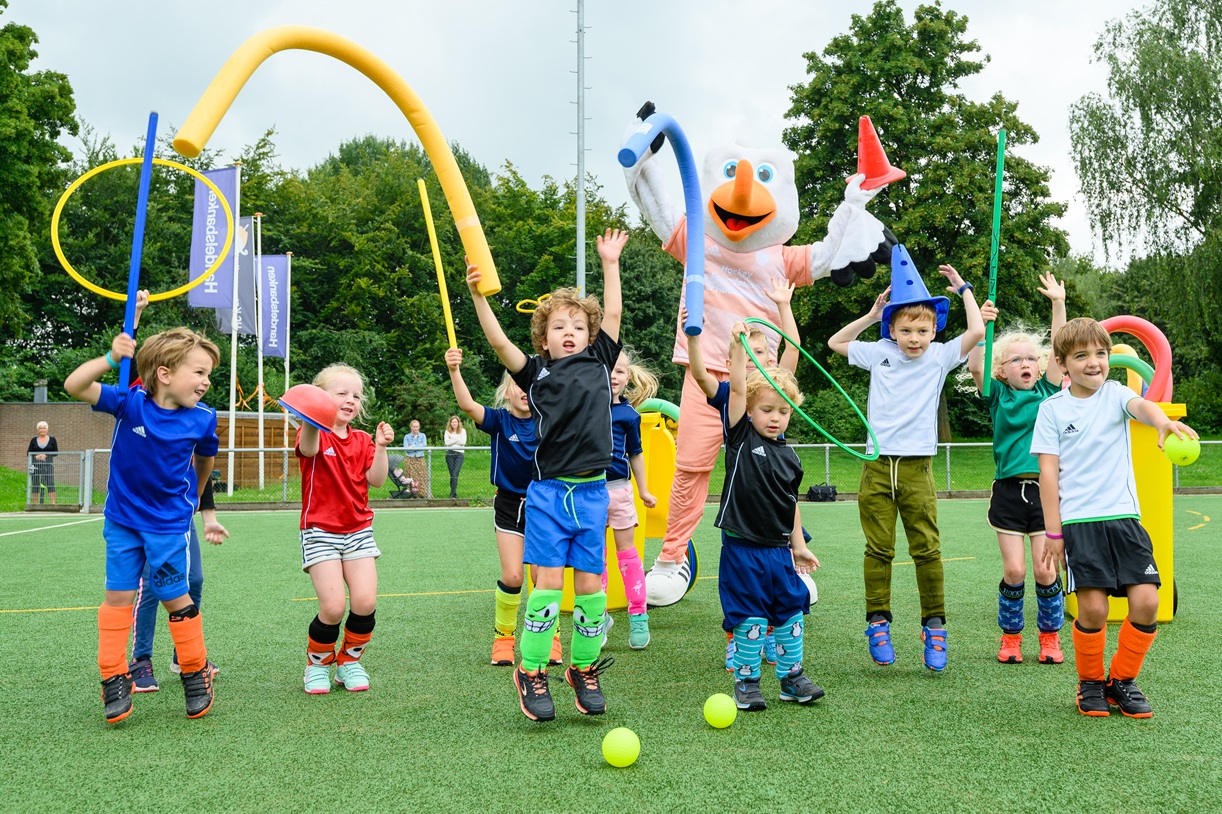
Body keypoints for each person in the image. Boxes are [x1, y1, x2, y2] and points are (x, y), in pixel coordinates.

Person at [466, 227, 624, 722]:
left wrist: (610, 263)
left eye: (577, 325)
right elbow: (498, 341)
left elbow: (613, 313)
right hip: (550, 495)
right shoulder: (535, 373)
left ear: (590, 336)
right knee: (549, 587)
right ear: (543, 338)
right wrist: (479, 297)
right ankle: (531, 670)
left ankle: (583, 668)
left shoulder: (599, 361)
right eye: (558, 326)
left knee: (593, 591)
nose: (569, 332)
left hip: (593, 493)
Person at [828, 251, 985, 671]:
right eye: (905, 330)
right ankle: (877, 621)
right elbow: (835, 343)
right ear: (892, 330)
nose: (915, 338)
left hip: (918, 468)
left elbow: (976, 330)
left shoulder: (940, 356)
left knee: (927, 549)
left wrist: (964, 290)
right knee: (878, 549)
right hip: (877, 467)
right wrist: (871, 315)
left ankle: (934, 625)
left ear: (934, 330)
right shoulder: (878, 352)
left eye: (923, 330)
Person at [1033, 317, 1197, 718]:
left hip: (1124, 520)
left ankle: (1123, 680)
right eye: (1081, 356)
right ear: (1062, 363)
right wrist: (1053, 532)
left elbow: (1142, 407)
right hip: (1079, 524)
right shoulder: (1051, 410)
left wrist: (1163, 422)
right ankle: (1090, 683)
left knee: (1147, 602)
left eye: (1101, 354)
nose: (1094, 362)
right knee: (1093, 611)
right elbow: (1048, 475)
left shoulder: (1116, 394)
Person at [65, 326, 222, 723]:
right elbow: (74, 385)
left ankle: (194, 670)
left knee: (174, 595)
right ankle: (113, 677)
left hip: (167, 526)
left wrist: (195, 495)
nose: (206, 381)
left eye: (208, 374)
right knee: (118, 598)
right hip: (122, 522)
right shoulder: (129, 403)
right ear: (165, 374)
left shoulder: (203, 418)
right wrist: (111, 358)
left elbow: (205, 459)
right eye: (199, 372)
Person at [685, 280, 807, 671]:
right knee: (743, 582)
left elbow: (794, 349)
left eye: (761, 353)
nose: (755, 360)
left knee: (775, 580)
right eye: (747, 353)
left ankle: (769, 635)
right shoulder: (736, 401)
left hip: (774, 503)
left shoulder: (778, 394)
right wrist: (699, 338)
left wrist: (783, 305)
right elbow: (716, 380)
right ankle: (739, 639)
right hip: (743, 507)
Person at [717, 320, 822, 711]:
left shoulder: (791, 457)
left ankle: (791, 678)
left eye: (783, 411)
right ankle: (746, 682)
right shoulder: (740, 437)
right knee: (751, 619)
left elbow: (790, 505)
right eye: (766, 410)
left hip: (779, 552)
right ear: (750, 410)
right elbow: (738, 387)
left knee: (791, 613)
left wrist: (798, 547)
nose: (775, 417)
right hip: (744, 550)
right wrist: (737, 346)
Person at [967, 271, 1067, 666]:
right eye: (1015, 359)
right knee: (1014, 571)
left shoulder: (1048, 391)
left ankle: (1050, 638)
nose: (1025, 363)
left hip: (1045, 493)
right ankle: (1011, 639)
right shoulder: (997, 396)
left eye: (1030, 358)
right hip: (1009, 492)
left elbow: (1060, 348)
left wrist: (1058, 303)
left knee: (1045, 573)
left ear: (1040, 367)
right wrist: (982, 328)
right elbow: (976, 365)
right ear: (1002, 370)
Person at [445, 347, 562, 668]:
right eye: (518, 385)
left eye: (530, 385)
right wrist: (455, 370)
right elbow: (467, 405)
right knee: (512, 576)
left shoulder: (549, 422)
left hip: (545, 505)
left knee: (543, 578)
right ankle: (503, 639)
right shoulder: (499, 420)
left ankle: (550, 637)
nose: (524, 390)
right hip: (509, 505)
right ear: (506, 392)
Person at [297, 364, 393, 695]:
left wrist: (381, 446)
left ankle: (349, 662)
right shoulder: (313, 432)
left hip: (358, 531)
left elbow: (376, 480)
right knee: (334, 607)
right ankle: (317, 664)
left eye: (356, 395)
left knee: (365, 603)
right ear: (322, 397)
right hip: (319, 531)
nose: (351, 399)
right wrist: (311, 416)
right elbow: (308, 449)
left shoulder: (363, 440)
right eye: (341, 393)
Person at [129, 469, 228, 691]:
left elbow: (202, 467)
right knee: (151, 585)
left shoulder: (191, 445)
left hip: (180, 512)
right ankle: (140, 660)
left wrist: (209, 516)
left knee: (194, 580)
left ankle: (185, 655)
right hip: (147, 512)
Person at [601, 347, 659, 649]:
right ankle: (597, 617)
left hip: (619, 490)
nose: (614, 375)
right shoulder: (585, 407)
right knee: (593, 558)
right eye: (608, 369)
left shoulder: (629, 415)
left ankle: (638, 615)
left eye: (620, 371)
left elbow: (636, 454)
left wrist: (644, 490)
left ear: (627, 378)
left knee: (627, 555)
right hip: (588, 492)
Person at [28, 421, 58, 504]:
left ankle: (53, 503)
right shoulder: (33, 440)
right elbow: (29, 452)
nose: (42, 430)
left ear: (47, 429)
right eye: (40, 428)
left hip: (48, 464)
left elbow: (56, 452)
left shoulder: (52, 439)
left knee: (50, 482)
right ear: (38, 430)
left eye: (44, 428)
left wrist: (46, 455)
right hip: (35, 465)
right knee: (35, 483)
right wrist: (36, 456)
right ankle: (35, 504)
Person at [443, 415, 467, 499]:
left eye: (455, 422)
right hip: (449, 454)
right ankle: (453, 493)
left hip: (459, 454)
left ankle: (453, 493)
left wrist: (452, 439)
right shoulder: (447, 432)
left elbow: (463, 442)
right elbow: (447, 443)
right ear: (450, 423)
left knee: (455, 473)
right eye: (452, 422)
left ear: (458, 423)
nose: (454, 423)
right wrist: (457, 439)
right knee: (452, 474)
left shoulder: (463, 431)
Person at [403, 420, 428, 496]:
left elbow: (424, 446)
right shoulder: (407, 437)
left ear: (419, 427)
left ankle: (422, 493)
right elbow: (406, 448)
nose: (415, 428)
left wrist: (412, 446)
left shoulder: (423, 436)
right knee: (410, 475)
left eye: (417, 427)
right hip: (410, 458)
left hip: (420, 458)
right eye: (414, 427)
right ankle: (410, 493)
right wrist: (418, 446)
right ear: (411, 427)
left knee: (421, 475)